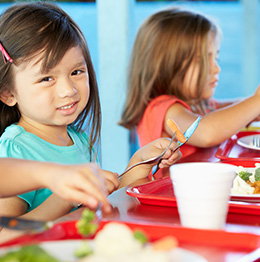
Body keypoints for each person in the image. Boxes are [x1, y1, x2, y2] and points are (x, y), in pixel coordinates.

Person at [0, 2, 181, 242]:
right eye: (46, 78)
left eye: (76, 72)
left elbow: (100, 199)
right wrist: (66, 199)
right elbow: (5, 237)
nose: (68, 90)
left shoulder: (78, 138)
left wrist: (141, 162)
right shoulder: (15, 148)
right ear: (8, 94)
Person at [119, 7, 260, 159]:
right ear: (168, 65)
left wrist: (253, 109)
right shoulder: (163, 110)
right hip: (171, 184)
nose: (216, 69)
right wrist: (256, 102)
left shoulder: (199, 105)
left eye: (215, 58)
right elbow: (206, 132)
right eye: (203, 61)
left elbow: (235, 109)